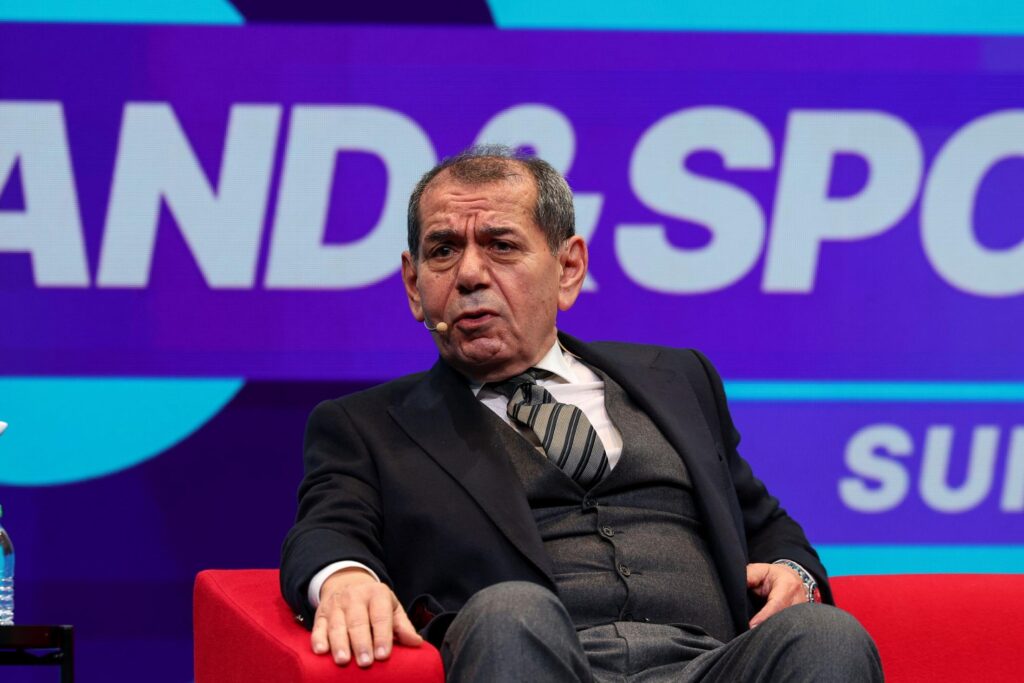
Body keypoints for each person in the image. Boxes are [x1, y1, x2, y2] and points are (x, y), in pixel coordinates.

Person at [280, 145, 882, 682]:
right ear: (414, 286)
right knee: (511, 610)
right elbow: (327, 530)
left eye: (501, 246)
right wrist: (344, 577)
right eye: (443, 251)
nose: (469, 275)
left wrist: (793, 571)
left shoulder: (679, 380)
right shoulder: (367, 426)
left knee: (826, 635)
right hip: (535, 656)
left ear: (568, 268)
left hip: (711, 664)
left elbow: (764, 522)